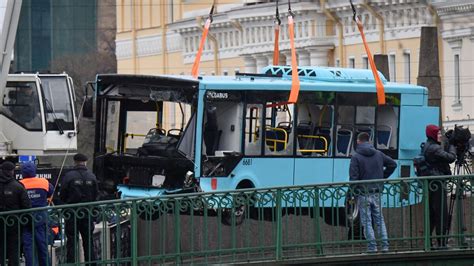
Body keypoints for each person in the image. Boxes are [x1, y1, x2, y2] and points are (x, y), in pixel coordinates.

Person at [349, 132, 397, 253]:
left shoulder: (356, 157)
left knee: (367, 222)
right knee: (379, 219)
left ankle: (372, 247)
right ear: (369, 141)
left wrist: (352, 192)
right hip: (377, 192)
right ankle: (385, 246)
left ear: (358, 141)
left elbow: (353, 178)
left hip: (363, 193)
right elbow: (393, 164)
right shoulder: (379, 154)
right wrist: (382, 178)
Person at [59, 153, 98, 265]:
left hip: (72, 213)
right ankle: (91, 263)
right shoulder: (92, 176)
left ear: (75, 162)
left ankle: (71, 263)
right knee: (88, 240)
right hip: (87, 213)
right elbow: (96, 195)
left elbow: (62, 194)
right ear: (85, 162)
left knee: (71, 241)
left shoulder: (69, 176)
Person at [423, 124, 456, 249]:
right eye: (438, 134)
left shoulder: (429, 145)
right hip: (437, 184)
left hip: (432, 184)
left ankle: (429, 242)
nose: (440, 136)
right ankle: (441, 243)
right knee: (441, 214)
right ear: (432, 134)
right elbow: (451, 158)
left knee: (433, 213)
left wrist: (447, 142)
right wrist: (452, 145)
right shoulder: (434, 148)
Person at [20, 162, 54, 266]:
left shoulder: (20, 184)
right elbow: (51, 192)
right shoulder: (43, 182)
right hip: (41, 217)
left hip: (26, 218)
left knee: (28, 247)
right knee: (42, 245)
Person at [0, 161, 31, 265]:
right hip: (14, 222)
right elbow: (26, 205)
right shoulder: (18, 186)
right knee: (14, 248)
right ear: (12, 171)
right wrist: (28, 222)